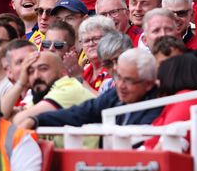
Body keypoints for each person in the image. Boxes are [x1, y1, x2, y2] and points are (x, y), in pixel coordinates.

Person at [19, 48, 160, 129]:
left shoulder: (158, 106)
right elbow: (80, 112)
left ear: (148, 84)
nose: (121, 85)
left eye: (129, 80)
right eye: (119, 77)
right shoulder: (114, 95)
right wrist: (38, 120)